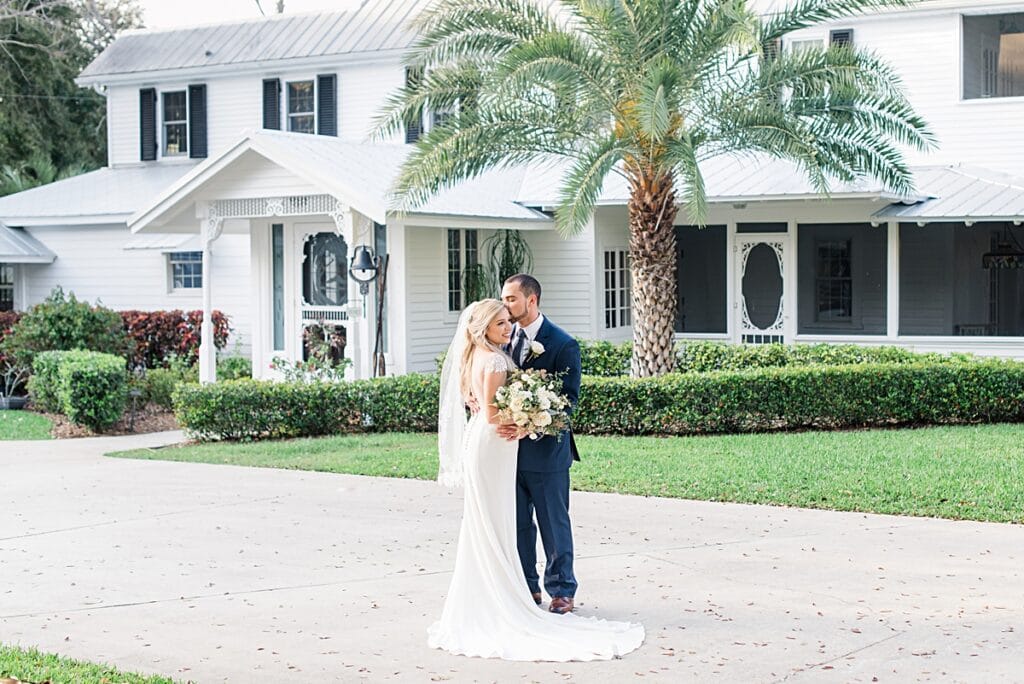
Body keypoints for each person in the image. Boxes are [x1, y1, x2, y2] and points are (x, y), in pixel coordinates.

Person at [430, 298, 643, 661]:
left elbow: (560, 399)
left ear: (531, 299)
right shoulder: (495, 356)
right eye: (501, 320)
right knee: (499, 522)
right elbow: (493, 412)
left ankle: (536, 590)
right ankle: (512, 592)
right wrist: (524, 419)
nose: (508, 323)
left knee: (502, 522)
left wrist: (528, 415)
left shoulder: (554, 343)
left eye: (509, 313)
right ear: (485, 327)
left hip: (505, 448)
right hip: (495, 442)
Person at [498, 274, 581, 614]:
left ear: (531, 301)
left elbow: (568, 401)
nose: (505, 306)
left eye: (511, 299)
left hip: (547, 453)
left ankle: (562, 589)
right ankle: (527, 587)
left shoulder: (562, 343)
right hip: (505, 454)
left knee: (553, 522)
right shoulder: (499, 339)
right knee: (517, 523)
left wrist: (528, 423)